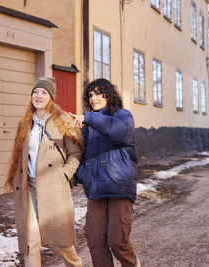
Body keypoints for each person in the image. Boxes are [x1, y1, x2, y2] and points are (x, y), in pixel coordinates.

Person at [6, 77, 83, 267]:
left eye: (44, 92)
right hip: (28, 188)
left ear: (51, 98)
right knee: (31, 242)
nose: (38, 96)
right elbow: (18, 156)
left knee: (60, 243)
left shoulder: (63, 119)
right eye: (35, 92)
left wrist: (64, 175)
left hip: (53, 187)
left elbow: (76, 153)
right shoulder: (24, 123)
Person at [70, 78, 141, 267]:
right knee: (94, 239)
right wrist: (82, 174)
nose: (94, 98)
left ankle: (133, 265)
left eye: (99, 93)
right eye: (90, 95)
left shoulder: (123, 116)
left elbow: (121, 132)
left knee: (117, 240)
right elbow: (85, 155)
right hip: (96, 188)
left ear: (109, 95)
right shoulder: (89, 127)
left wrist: (90, 118)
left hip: (119, 186)